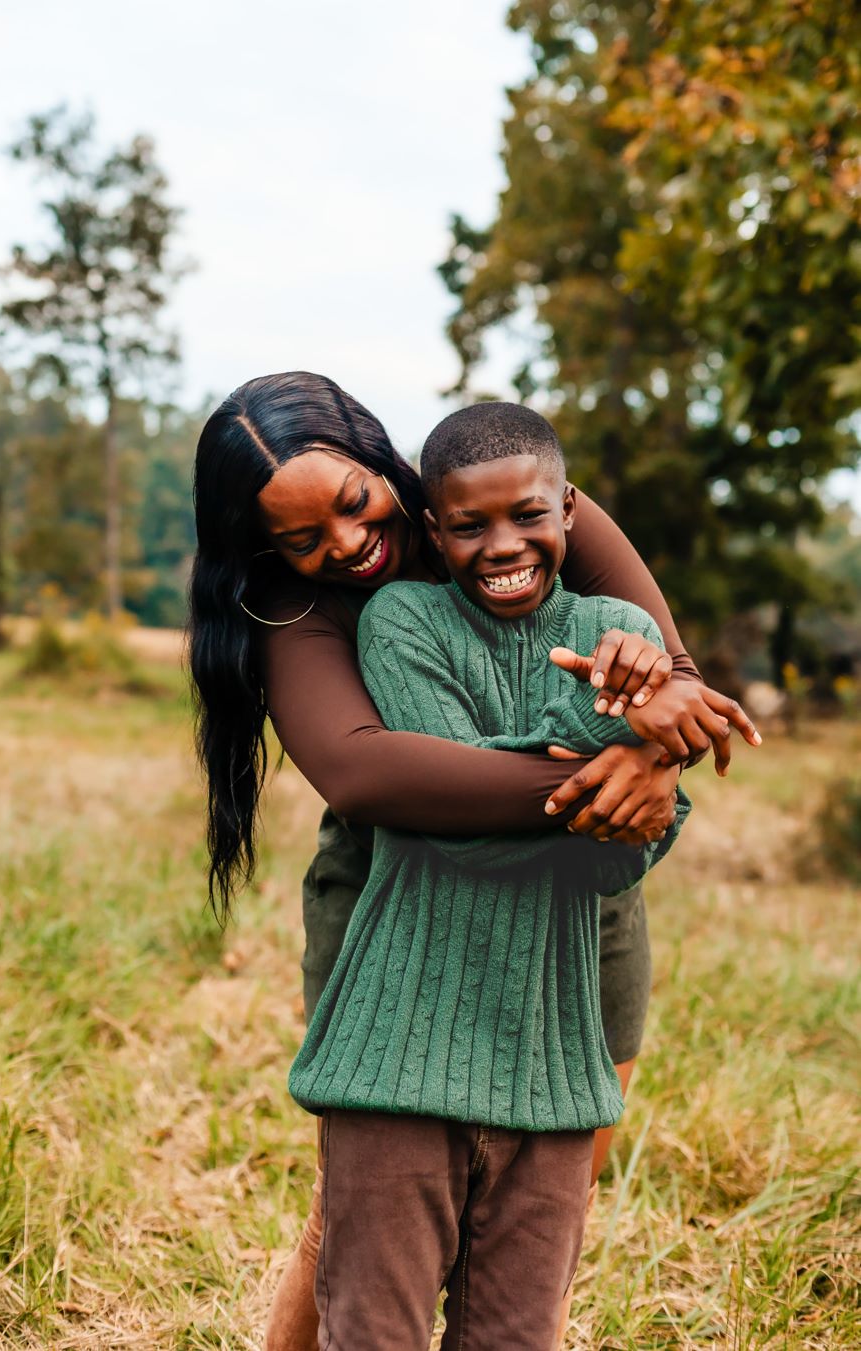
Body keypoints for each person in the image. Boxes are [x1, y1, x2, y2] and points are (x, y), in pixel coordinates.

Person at [186, 372, 760, 1349]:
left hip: (578, 896)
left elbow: (673, 669)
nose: (345, 543)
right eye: (300, 536)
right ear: (266, 548)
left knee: (550, 1197)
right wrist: (616, 774)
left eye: (355, 503)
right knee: (364, 1210)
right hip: (392, 894)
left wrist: (654, 757)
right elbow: (369, 775)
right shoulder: (299, 608)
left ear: (383, 464)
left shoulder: (504, 490)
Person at [288, 402, 692, 1348]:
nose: (502, 543)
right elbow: (457, 815)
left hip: (552, 1062)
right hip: (400, 1058)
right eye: (469, 524)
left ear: (569, 512)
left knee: (520, 1332)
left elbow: (628, 850)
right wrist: (619, 729)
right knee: (371, 1324)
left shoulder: (621, 626)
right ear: (434, 528)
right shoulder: (402, 618)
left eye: (529, 516)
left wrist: (658, 763)